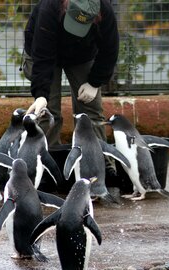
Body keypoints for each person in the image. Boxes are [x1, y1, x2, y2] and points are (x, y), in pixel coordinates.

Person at [23, 0, 119, 168]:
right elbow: (42, 55)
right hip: (44, 53)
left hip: (82, 54)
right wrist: (41, 95)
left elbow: (110, 50)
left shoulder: (105, 10)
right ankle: (45, 165)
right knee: (47, 111)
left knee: (90, 110)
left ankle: (99, 163)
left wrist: (94, 83)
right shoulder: (50, 8)